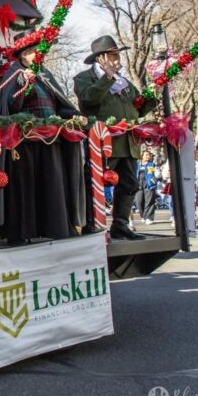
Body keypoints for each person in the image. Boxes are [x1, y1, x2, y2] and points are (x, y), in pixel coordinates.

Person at [0, 31, 84, 243]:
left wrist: (74, 115)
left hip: (51, 139)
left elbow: (59, 104)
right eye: (34, 51)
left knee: (52, 185)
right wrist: (22, 83)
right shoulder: (14, 73)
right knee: (25, 188)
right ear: (23, 54)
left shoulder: (46, 74)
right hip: (24, 140)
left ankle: (55, 228)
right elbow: (11, 105)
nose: (39, 54)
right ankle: (22, 233)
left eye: (39, 51)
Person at [73, 35, 156, 241]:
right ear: (100, 58)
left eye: (118, 55)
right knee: (95, 183)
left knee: (129, 185)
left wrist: (152, 94)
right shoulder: (84, 78)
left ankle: (121, 225)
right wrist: (107, 78)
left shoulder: (124, 82)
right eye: (112, 55)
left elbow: (138, 108)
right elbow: (89, 100)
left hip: (128, 142)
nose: (117, 59)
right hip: (103, 143)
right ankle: (91, 224)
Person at [134, 151, 159, 224]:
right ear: (142, 156)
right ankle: (143, 216)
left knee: (149, 201)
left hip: (149, 184)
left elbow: (157, 173)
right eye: (146, 155)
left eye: (149, 155)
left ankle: (149, 218)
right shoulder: (137, 164)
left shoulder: (152, 164)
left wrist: (155, 179)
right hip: (138, 184)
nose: (148, 156)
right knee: (138, 201)